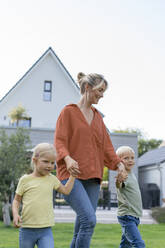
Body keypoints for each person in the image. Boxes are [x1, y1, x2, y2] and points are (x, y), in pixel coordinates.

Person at [54, 72, 128, 248]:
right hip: (71, 175)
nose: (102, 95)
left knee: (81, 228)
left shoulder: (98, 118)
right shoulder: (68, 112)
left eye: (104, 91)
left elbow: (107, 147)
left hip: (93, 177)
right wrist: (68, 158)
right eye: (100, 90)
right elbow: (59, 141)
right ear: (87, 87)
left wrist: (119, 164)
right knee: (89, 220)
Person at [12, 143, 76, 248]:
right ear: (35, 160)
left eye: (52, 163)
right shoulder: (25, 180)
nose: (49, 166)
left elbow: (66, 190)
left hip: (46, 230)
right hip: (27, 229)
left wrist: (73, 176)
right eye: (45, 161)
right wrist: (15, 214)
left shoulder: (52, 179)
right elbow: (16, 200)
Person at [116, 146, 145, 248]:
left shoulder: (131, 174)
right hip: (127, 216)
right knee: (139, 244)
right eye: (126, 158)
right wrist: (119, 180)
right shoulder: (124, 175)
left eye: (132, 158)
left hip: (134, 216)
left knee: (125, 245)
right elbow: (119, 185)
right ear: (119, 161)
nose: (130, 160)